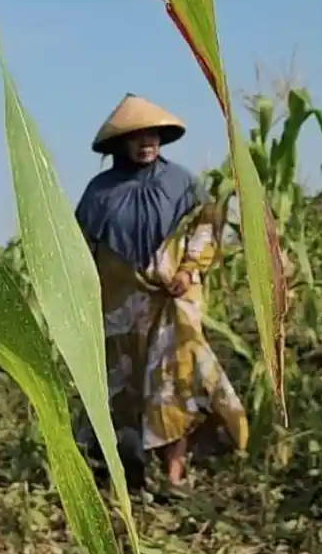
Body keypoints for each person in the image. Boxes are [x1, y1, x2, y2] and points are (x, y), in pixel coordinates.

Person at [74, 93, 249, 490]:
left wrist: (188, 270)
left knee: (176, 381)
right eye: (137, 136)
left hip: (174, 299)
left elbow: (205, 229)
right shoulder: (99, 192)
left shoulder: (182, 182)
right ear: (121, 143)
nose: (146, 142)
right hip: (121, 305)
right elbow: (80, 249)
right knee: (126, 386)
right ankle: (126, 473)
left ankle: (174, 477)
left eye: (152, 134)